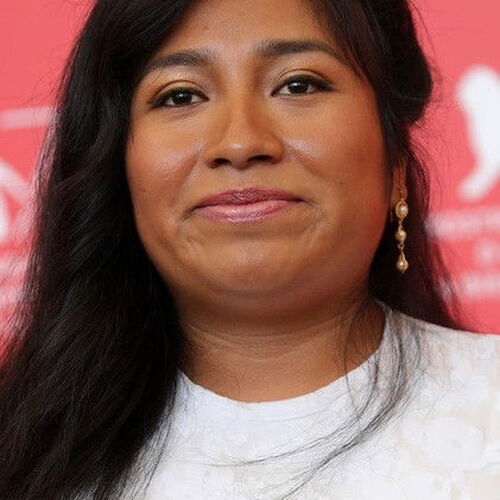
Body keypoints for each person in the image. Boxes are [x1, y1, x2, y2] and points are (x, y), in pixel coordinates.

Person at [0, 0, 498, 498]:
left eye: (298, 85)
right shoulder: (18, 452)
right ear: (117, 170)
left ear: (396, 163)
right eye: (180, 95)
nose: (239, 143)